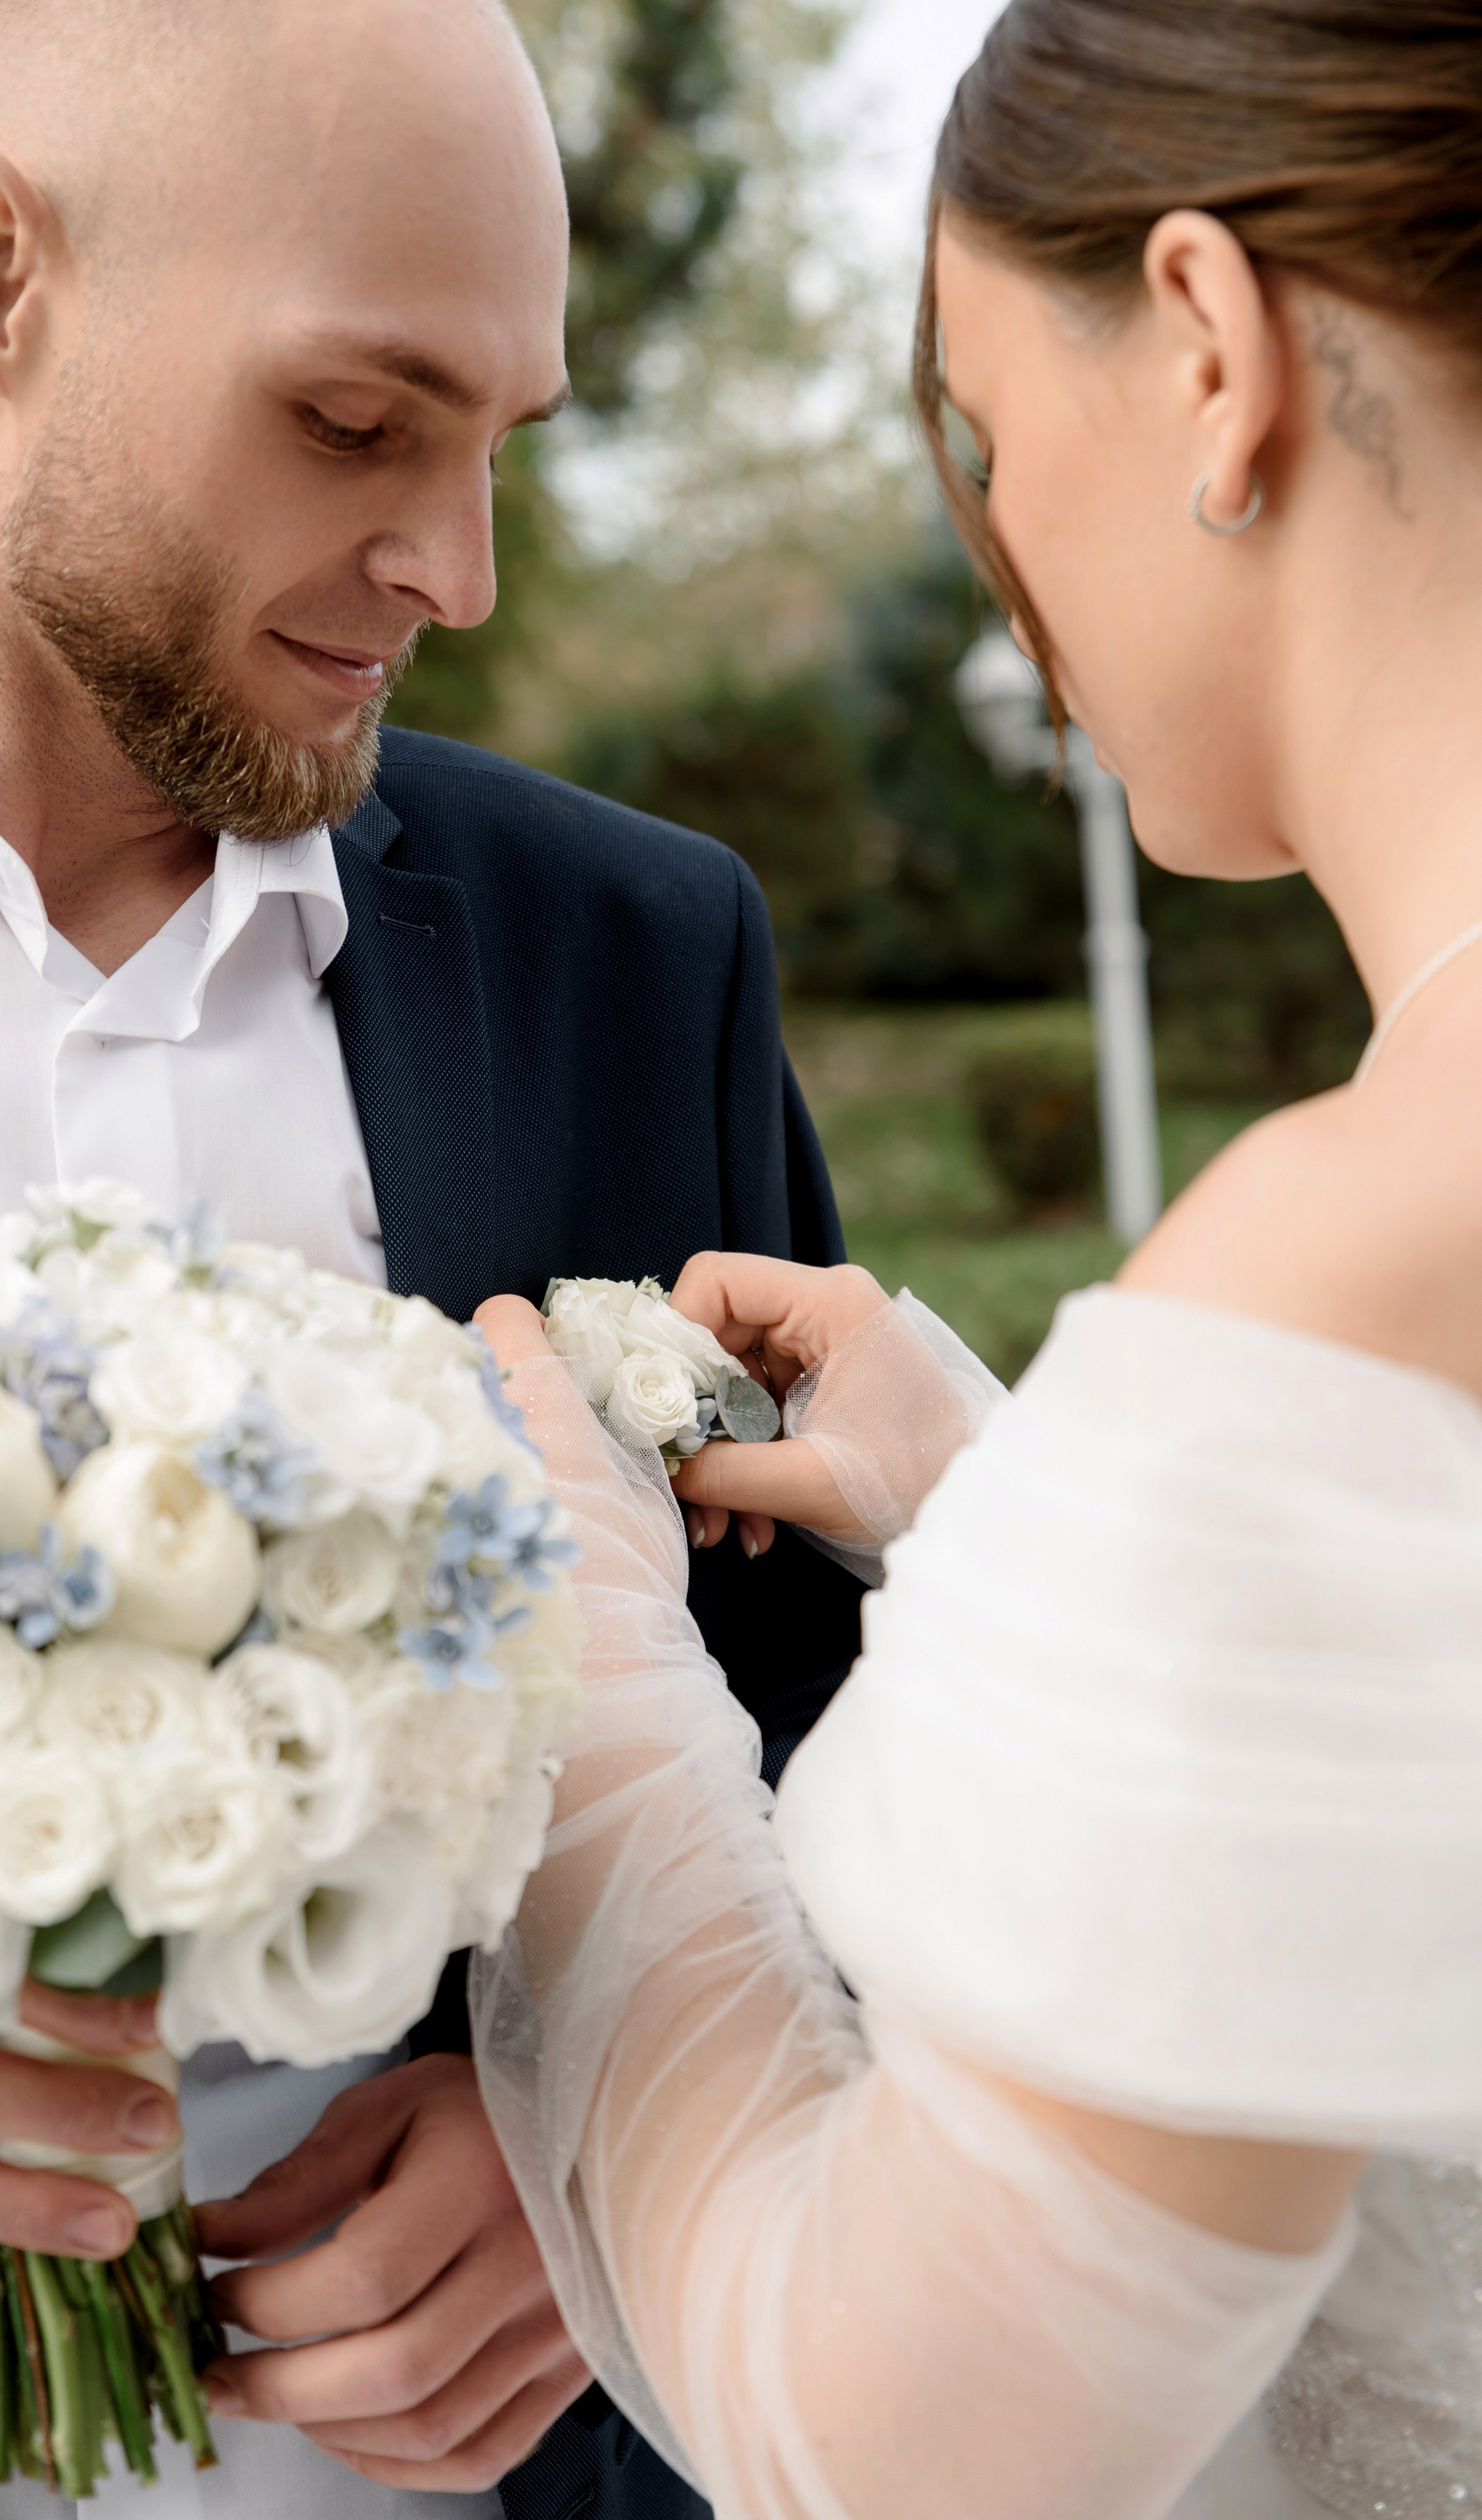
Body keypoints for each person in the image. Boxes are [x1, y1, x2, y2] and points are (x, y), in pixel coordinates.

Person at [0, 3, 864, 2516]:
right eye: (357, 425)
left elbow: (853, 1727)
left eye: (499, 446)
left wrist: (613, 2138)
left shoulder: (641, 955)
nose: (457, 573)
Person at [467, 3, 1482, 2513]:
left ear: (1215, 354)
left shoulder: (1362, 1244)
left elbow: (893, 2434)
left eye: (994, 438)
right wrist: (1024, 1519)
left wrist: (580, 1650)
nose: (1007, 553)